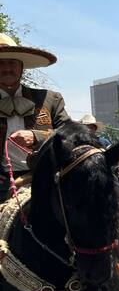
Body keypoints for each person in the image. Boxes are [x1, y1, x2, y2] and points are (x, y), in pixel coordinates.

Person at [0, 33, 69, 201]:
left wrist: (36, 136)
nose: (6, 68)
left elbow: (70, 134)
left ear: (22, 67)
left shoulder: (50, 98)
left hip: (47, 178)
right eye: (0, 63)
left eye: (12, 63)